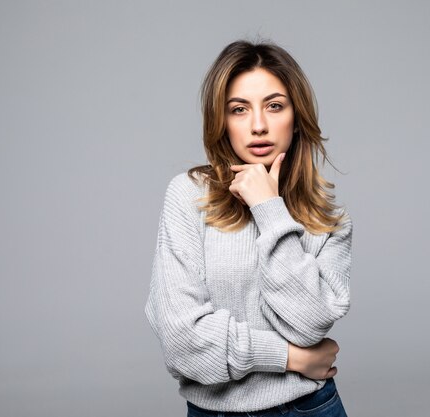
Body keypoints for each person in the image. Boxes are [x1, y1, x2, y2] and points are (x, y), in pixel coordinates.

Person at [145, 40, 353, 417]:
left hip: (312, 408)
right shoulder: (189, 196)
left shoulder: (328, 219)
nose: (258, 126)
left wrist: (268, 208)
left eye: (274, 106)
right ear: (221, 121)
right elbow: (182, 342)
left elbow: (308, 325)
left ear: (297, 114)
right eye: (239, 110)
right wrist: (291, 358)